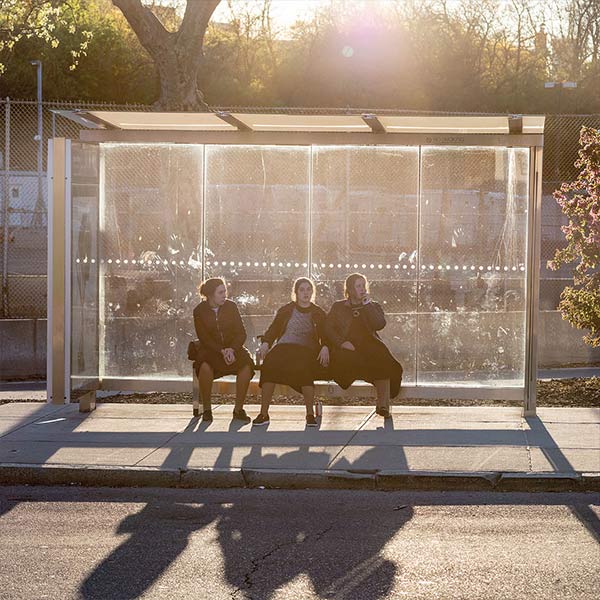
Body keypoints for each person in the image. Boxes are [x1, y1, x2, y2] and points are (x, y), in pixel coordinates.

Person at [252, 277, 329, 427]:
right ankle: (264, 413)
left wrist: (325, 346)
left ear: (312, 292)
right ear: (296, 293)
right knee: (269, 364)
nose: (305, 293)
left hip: (305, 349)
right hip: (284, 347)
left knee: (304, 368)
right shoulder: (286, 310)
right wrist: (266, 343)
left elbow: (325, 334)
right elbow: (273, 329)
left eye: (308, 289)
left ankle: (309, 414)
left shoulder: (318, 313)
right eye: (302, 290)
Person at [326, 273, 403, 418]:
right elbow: (328, 329)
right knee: (369, 362)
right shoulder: (338, 307)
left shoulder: (372, 306)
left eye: (363, 285)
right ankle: (382, 402)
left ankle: (383, 406)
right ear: (350, 289)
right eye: (358, 286)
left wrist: (368, 305)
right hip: (348, 347)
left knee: (385, 362)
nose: (362, 289)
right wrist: (342, 343)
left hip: (369, 345)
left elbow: (379, 324)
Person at [192, 277, 254, 423]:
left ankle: (238, 409)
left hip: (234, 348)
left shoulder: (231, 307)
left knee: (246, 366)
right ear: (211, 294)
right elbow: (204, 338)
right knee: (205, 367)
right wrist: (221, 350)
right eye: (220, 292)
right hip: (211, 350)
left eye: (224, 291)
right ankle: (207, 409)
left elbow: (241, 332)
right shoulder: (199, 311)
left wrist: (231, 349)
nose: (224, 295)